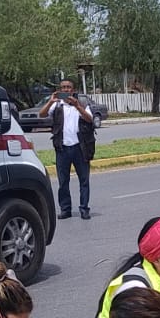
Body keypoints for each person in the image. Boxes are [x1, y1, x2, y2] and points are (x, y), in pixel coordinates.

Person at [48, 78, 96, 220]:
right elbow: (42, 114)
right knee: (63, 181)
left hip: (80, 148)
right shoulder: (57, 105)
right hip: (62, 149)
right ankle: (65, 209)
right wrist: (51, 101)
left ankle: (84, 209)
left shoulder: (82, 103)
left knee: (84, 181)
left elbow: (89, 119)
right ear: (60, 89)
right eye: (63, 87)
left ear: (73, 90)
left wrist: (77, 106)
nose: (66, 89)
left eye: (69, 87)